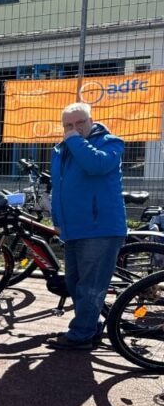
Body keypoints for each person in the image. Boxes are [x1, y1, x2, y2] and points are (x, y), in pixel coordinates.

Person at [47, 101, 126, 350]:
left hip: (100, 228)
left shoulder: (110, 143)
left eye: (80, 122)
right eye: (68, 125)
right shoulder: (61, 150)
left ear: (91, 120)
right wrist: (58, 221)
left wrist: (74, 139)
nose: (73, 129)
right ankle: (90, 326)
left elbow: (96, 165)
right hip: (74, 229)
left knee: (91, 286)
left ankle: (80, 335)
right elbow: (59, 189)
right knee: (75, 284)